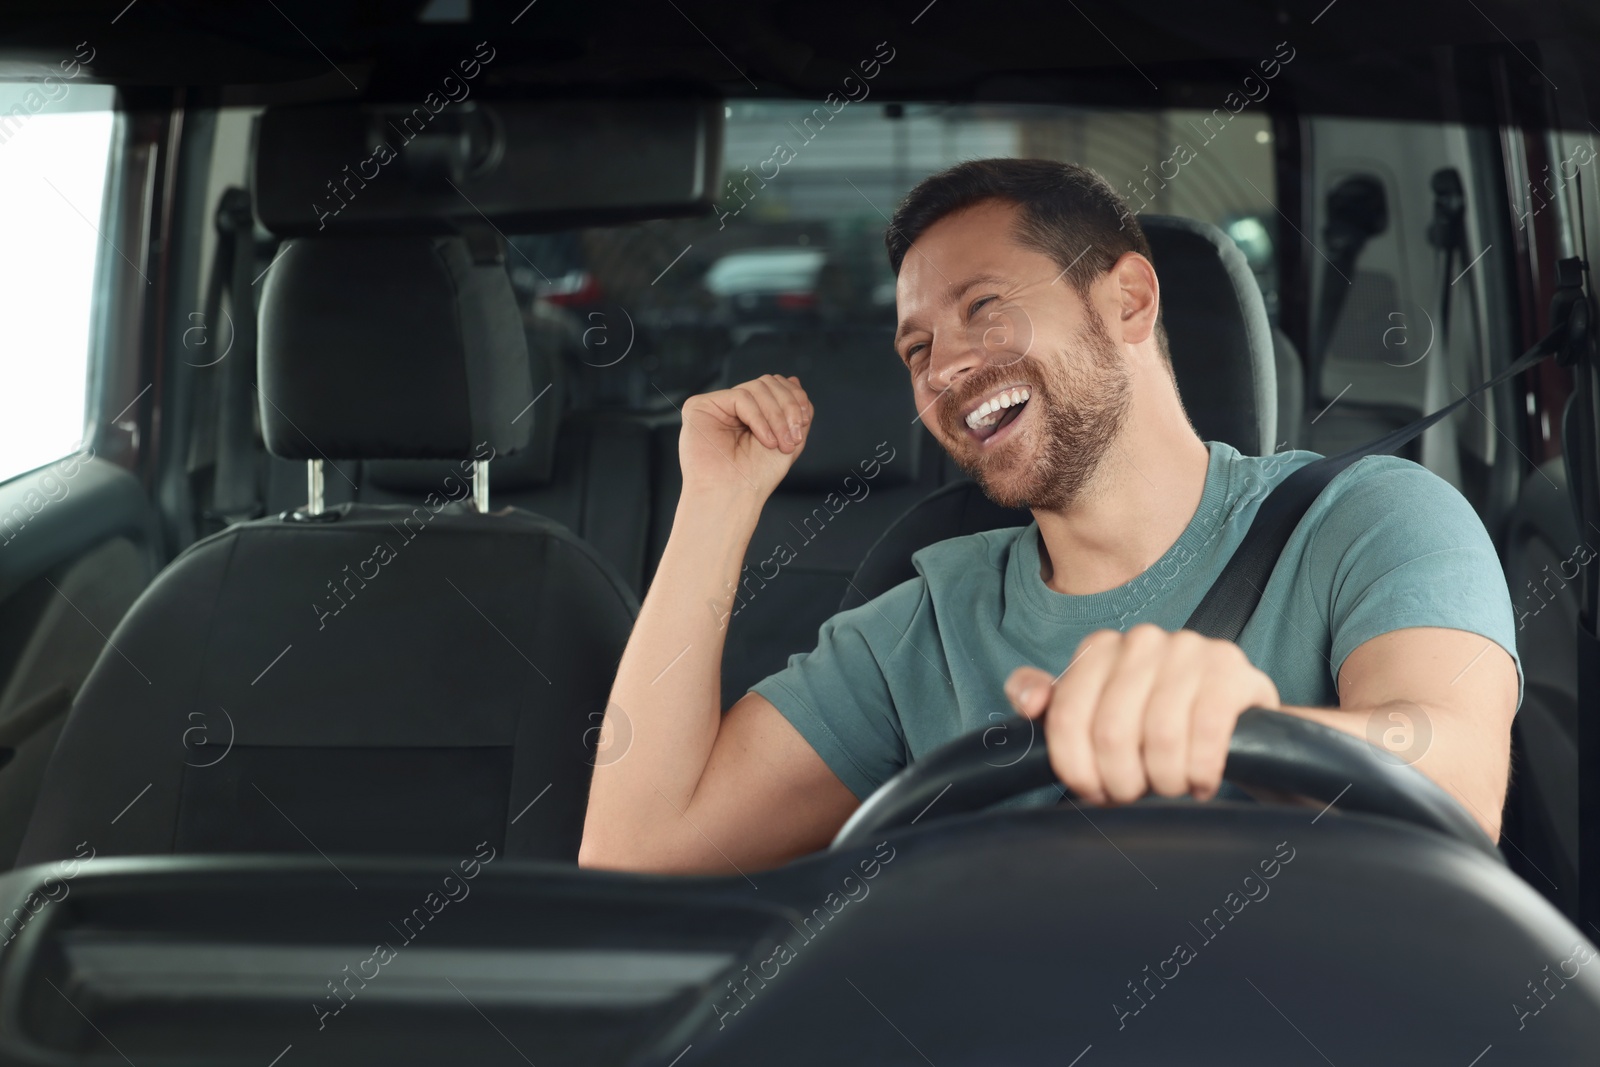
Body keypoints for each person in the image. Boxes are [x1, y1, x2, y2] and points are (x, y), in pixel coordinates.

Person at [579, 158, 1521, 874]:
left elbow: (1458, 778)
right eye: (917, 348)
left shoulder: (1372, 519)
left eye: (983, 306)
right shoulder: (925, 625)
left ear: (1128, 300)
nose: (943, 367)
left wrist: (1260, 729)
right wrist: (715, 504)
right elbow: (636, 855)